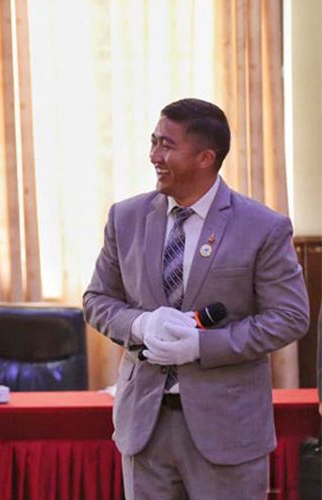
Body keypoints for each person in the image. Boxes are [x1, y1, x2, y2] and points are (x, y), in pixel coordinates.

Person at [83, 97, 309, 498]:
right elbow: (97, 300)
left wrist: (202, 346)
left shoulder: (263, 227)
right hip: (145, 428)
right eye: (153, 141)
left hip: (228, 433)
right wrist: (140, 324)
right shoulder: (126, 218)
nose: (154, 156)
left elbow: (290, 317)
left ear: (206, 158)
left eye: (167, 145)